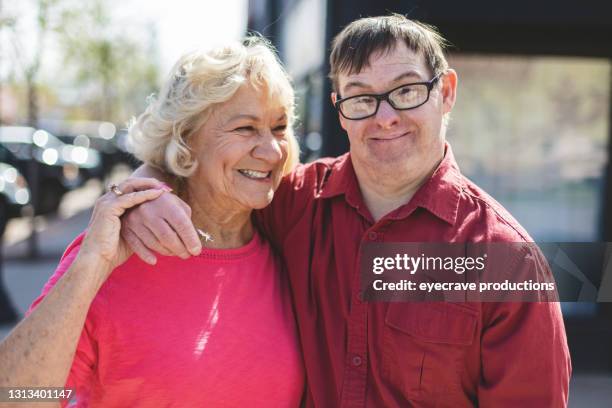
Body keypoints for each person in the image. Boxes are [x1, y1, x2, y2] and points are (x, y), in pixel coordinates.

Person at [124, 15, 571, 407]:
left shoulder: (506, 260)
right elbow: (199, 169)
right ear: (340, 110)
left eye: (407, 91)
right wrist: (146, 191)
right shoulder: (294, 202)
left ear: (446, 92)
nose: (385, 117)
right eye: (361, 98)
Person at [0, 37, 304, 407]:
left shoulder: (293, 237)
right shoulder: (119, 247)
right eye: (245, 128)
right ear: (184, 139)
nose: (272, 151)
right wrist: (92, 267)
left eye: (279, 127)